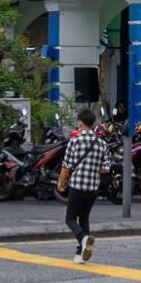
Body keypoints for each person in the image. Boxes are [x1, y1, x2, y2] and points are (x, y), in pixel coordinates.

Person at [57, 106, 106, 263]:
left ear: (80, 123)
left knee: (70, 219)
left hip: (77, 186)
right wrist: (92, 167)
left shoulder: (74, 142)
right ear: (93, 123)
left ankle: (83, 239)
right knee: (84, 218)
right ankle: (80, 253)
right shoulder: (101, 143)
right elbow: (106, 168)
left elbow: (66, 166)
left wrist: (61, 182)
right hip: (92, 188)